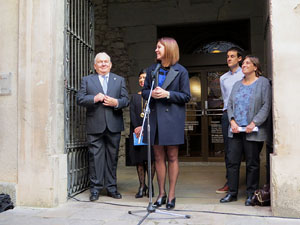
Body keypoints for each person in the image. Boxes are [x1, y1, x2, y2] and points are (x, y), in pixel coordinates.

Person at [142, 37, 191, 210]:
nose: (156, 50)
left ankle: (172, 195)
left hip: (172, 119)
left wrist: (167, 94)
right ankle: (161, 194)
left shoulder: (181, 71)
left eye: (159, 47)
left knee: (172, 156)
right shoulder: (152, 69)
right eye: (156, 47)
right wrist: (152, 94)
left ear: (169, 49)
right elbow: (144, 91)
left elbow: (186, 96)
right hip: (154, 118)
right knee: (158, 157)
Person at [77, 52, 129, 201]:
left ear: (111, 64)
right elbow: (79, 99)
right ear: (95, 66)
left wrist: (116, 103)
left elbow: (126, 100)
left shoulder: (119, 80)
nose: (103, 64)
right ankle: (96, 189)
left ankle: (112, 188)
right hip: (95, 125)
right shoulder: (87, 80)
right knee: (95, 158)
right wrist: (94, 98)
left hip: (114, 124)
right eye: (100, 62)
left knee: (112, 158)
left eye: (106, 61)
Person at [220, 55, 271, 206]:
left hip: (253, 130)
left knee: (252, 163)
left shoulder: (263, 83)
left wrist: (254, 122)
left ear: (255, 67)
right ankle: (232, 193)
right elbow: (229, 105)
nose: (244, 65)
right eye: (244, 63)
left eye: (248, 63)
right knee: (232, 162)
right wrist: (232, 121)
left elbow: (266, 105)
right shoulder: (237, 84)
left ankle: (251, 194)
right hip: (235, 130)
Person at [216, 47, 244, 194]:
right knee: (229, 150)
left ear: (239, 59)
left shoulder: (244, 74)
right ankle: (230, 182)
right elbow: (225, 99)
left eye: (232, 56)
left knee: (247, 149)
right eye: (227, 56)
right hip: (227, 115)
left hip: (244, 115)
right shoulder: (223, 78)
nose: (229, 58)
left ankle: (251, 185)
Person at [129, 69, 155, 198]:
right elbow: (133, 114)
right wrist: (137, 127)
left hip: (150, 131)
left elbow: (154, 114)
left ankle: (150, 185)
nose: (141, 80)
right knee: (139, 160)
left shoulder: (153, 96)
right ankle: (141, 185)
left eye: (144, 77)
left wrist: (144, 127)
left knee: (151, 160)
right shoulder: (134, 97)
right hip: (137, 132)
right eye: (140, 77)